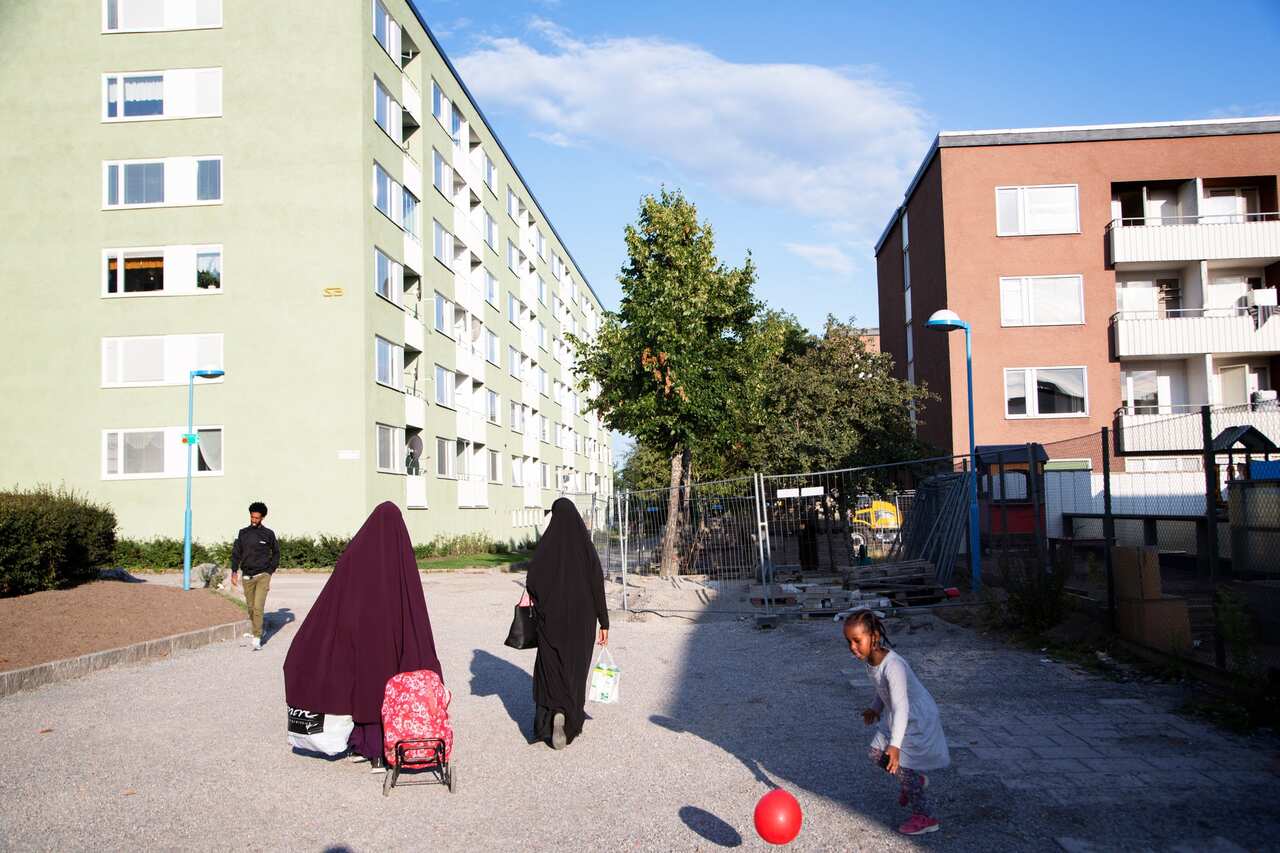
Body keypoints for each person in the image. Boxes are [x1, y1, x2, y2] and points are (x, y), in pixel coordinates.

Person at [283, 502, 441, 771]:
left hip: (358, 637)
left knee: (362, 688)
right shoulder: (401, 559)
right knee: (385, 686)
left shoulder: (355, 554)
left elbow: (333, 597)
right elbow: (414, 610)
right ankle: (387, 746)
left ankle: (366, 746)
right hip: (391, 640)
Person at [843, 610, 949, 837]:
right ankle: (915, 781)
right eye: (849, 641)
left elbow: (901, 705)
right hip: (901, 717)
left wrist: (895, 745)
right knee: (875, 753)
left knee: (901, 762)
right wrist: (875, 708)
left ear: (874, 637)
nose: (852, 646)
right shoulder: (871, 661)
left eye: (857, 640)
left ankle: (925, 817)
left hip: (915, 718)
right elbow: (882, 690)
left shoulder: (894, 666)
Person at [525, 498, 609, 750]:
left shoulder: (546, 547)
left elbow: (532, 582)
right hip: (582, 620)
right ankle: (569, 718)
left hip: (551, 620)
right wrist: (604, 622)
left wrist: (543, 605)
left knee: (550, 667)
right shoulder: (585, 547)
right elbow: (597, 584)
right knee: (575, 668)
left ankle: (552, 713)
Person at [230, 501, 280, 651]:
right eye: (252, 517)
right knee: (251, 608)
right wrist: (234, 571)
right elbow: (236, 553)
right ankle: (259, 628)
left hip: (263, 575)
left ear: (262, 518)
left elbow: (276, 553)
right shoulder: (243, 533)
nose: (254, 520)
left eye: (257, 518)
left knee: (258, 607)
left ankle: (257, 637)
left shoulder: (268, 534)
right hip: (247, 576)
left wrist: (270, 571)